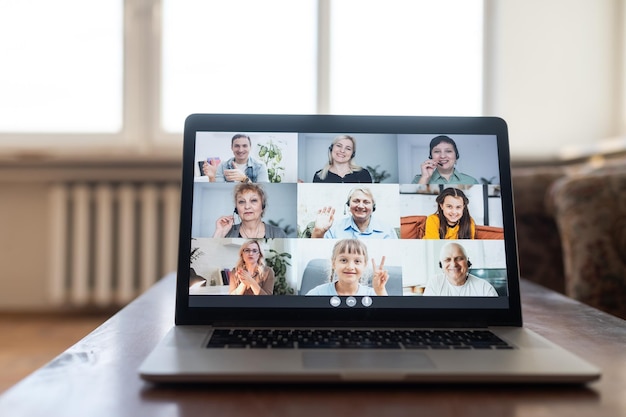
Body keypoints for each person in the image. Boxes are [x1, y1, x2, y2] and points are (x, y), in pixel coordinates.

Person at [306, 239, 389, 296]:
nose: (350, 267)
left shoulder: (374, 294)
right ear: (333, 263)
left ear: (364, 265)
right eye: (344, 260)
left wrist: (380, 291)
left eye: (357, 261)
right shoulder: (317, 293)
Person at [310, 187, 397, 239]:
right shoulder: (334, 228)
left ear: (373, 207)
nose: (360, 206)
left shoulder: (387, 230)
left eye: (366, 202)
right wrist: (318, 232)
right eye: (356, 201)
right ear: (348, 205)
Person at [213, 183, 287, 238]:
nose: (247, 206)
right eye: (241, 201)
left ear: (263, 206)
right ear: (236, 209)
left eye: (253, 200)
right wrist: (220, 232)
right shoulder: (227, 233)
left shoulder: (278, 233)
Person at [423, 242, 498, 296]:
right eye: (447, 260)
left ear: (467, 262)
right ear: (441, 265)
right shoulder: (434, 283)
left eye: (459, 259)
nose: (453, 264)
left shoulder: (485, 288)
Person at [412, 135, 479, 185]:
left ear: (456, 156)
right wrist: (425, 178)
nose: (443, 156)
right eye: (437, 151)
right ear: (431, 156)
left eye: (448, 151)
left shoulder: (471, 181)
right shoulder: (418, 180)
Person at [203, 134, 270, 183]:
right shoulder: (223, 166)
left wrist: (244, 179)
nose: (240, 150)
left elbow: (262, 192)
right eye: (237, 146)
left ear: (250, 147)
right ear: (232, 147)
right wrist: (211, 178)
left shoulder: (260, 166)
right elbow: (218, 191)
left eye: (244, 146)